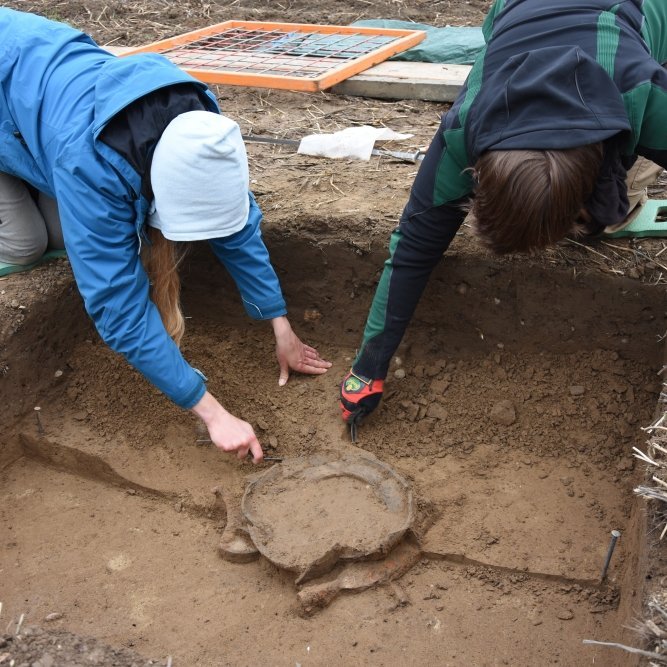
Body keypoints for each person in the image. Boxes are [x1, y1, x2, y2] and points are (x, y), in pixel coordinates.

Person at [0, 8, 331, 463]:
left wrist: (279, 322)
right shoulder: (89, 167)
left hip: (38, 94)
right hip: (20, 110)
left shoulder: (198, 128)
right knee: (28, 243)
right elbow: (118, 309)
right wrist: (213, 413)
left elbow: (236, 226)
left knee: (66, 230)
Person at [340, 0, 667, 429]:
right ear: (476, 175)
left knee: (616, 209)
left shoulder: (644, 93)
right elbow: (414, 248)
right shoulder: (464, 130)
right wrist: (368, 366)